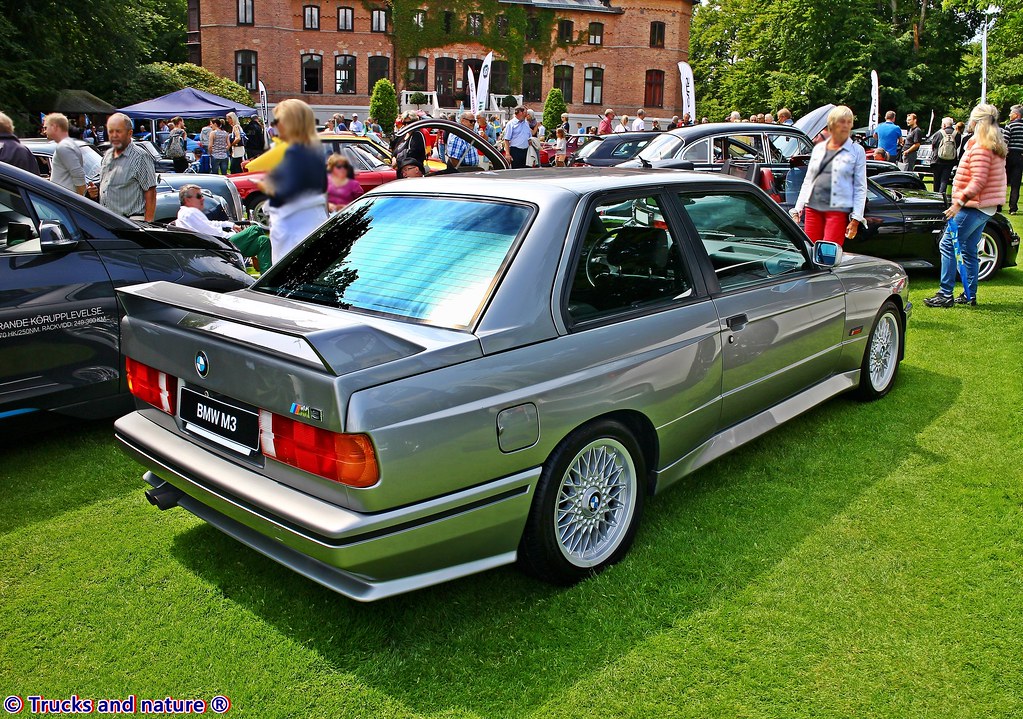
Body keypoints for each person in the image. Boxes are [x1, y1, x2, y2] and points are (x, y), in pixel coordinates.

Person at [925, 104, 1007, 308]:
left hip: (974, 205)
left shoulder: (981, 146)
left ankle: (946, 294)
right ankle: (970, 293)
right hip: (983, 206)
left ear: (977, 122)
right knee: (969, 249)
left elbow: (978, 181)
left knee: (948, 244)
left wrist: (958, 203)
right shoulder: (991, 143)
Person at [261, 99, 327, 262]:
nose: (275, 125)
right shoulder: (309, 149)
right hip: (295, 221)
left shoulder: (296, 151)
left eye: (278, 120)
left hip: (297, 223)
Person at [791, 105, 866, 247]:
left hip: (837, 210)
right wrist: (797, 208)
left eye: (848, 122)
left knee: (830, 252)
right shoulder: (819, 149)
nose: (844, 126)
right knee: (811, 251)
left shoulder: (857, 151)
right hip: (812, 207)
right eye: (840, 122)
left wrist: (856, 218)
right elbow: (809, 180)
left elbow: (860, 186)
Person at [176, 184, 272, 273]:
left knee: (263, 241)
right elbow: (211, 231)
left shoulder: (187, 213)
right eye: (198, 196)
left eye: (202, 195)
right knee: (255, 229)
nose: (202, 198)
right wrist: (232, 234)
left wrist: (229, 225)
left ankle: (267, 280)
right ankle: (261, 266)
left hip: (221, 244)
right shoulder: (190, 213)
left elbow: (208, 224)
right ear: (187, 200)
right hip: (222, 246)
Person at [87, 113, 156, 221]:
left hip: (131, 223)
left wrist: (147, 225)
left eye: (118, 131)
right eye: (111, 131)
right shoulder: (108, 155)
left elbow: (151, 191)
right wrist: (94, 192)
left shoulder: (140, 156)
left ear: (130, 133)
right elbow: (106, 185)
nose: (114, 135)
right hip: (108, 222)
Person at [42, 113, 85, 193]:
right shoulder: (69, 144)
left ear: (54, 127)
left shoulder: (63, 146)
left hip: (66, 199)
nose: (44, 131)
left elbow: (78, 175)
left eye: (45, 127)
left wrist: (83, 200)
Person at [928, 116, 959, 197]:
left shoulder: (939, 133)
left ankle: (935, 196)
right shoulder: (957, 134)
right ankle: (942, 196)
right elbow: (957, 145)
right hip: (950, 160)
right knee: (944, 180)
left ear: (944, 125)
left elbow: (934, 145)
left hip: (938, 160)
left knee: (936, 179)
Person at [1004, 104, 1023, 214]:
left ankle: (999, 205)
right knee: (1016, 184)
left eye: (1011, 113)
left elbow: (1005, 141)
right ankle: (1013, 207)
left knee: (1004, 182)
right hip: (1020, 156)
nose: (1009, 115)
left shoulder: (1010, 126)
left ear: (1016, 115)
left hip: (1010, 155)